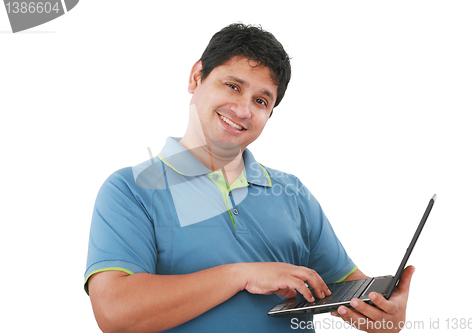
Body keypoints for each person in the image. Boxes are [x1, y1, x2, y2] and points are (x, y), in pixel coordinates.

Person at [84, 23, 415, 333]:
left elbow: (353, 295)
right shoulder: (130, 190)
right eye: (232, 86)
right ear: (196, 77)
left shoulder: (292, 194)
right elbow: (116, 311)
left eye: (260, 101)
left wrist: (387, 317)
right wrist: (242, 274)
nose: (243, 110)